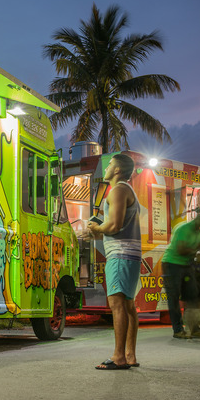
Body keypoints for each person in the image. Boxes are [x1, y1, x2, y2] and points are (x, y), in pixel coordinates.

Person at [88, 153, 142, 370]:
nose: (106, 167)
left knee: (117, 304)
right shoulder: (127, 191)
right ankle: (130, 355)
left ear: (118, 170)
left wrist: (96, 228)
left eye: (110, 164)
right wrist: (101, 227)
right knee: (128, 306)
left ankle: (119, 356)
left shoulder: (118, 190)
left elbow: (114, 226)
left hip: (119, 255)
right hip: (129, 254)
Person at [161, 212, 200, 339]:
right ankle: (178, 329)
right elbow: (181, 249)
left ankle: (194, 327)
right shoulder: (183, 228)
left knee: (192, 296)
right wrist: (196, 252)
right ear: (198, 218)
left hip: (186, 265)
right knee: (174, 297)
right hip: (171, 264)